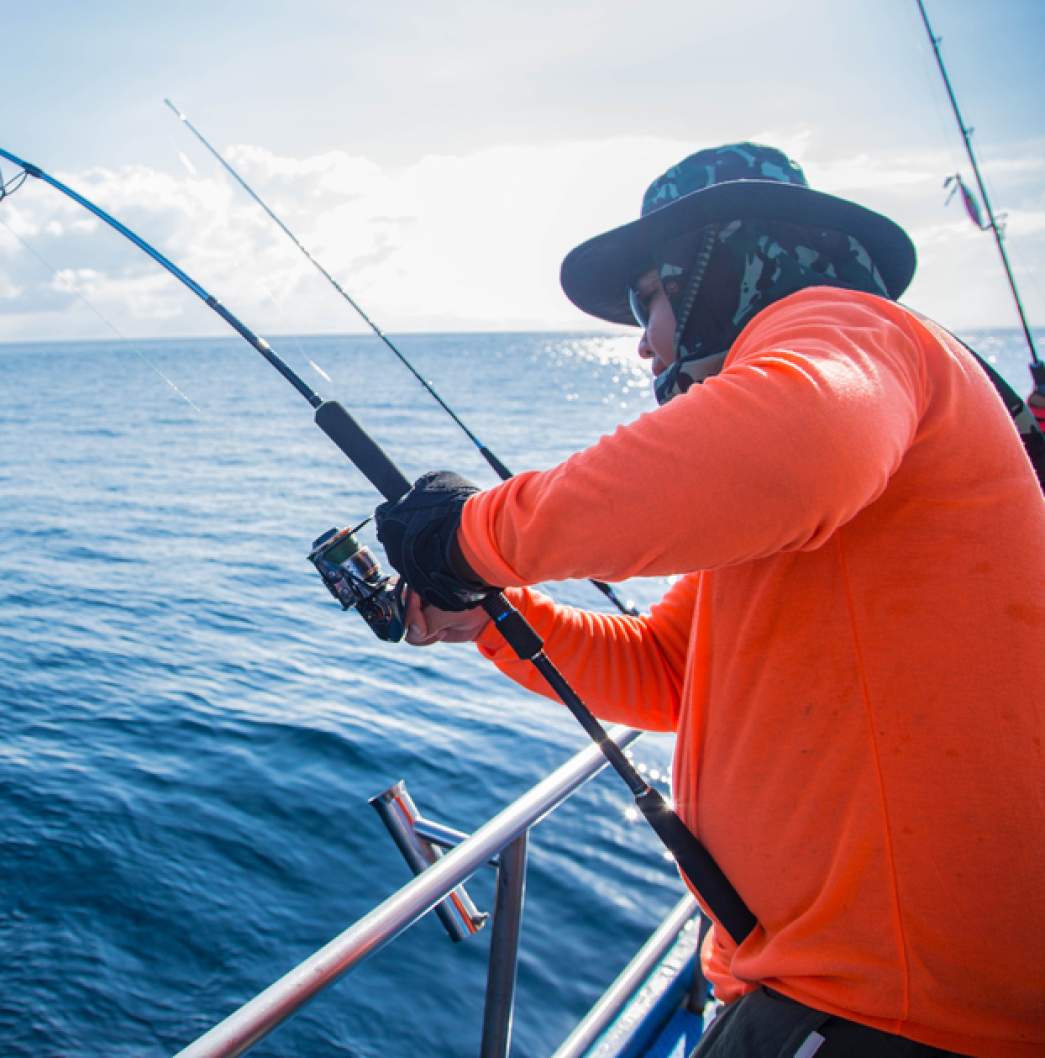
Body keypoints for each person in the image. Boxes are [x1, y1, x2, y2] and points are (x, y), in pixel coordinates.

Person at [373, 144, 1045, 1057]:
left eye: (652, 296)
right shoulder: (807, 477)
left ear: (723, 269)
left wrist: (469, 536)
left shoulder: (848, 328)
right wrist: (494, 608)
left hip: (894, 1012)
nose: (645, 341)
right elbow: (669, 672)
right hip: (825, 989)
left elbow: (790, 447)